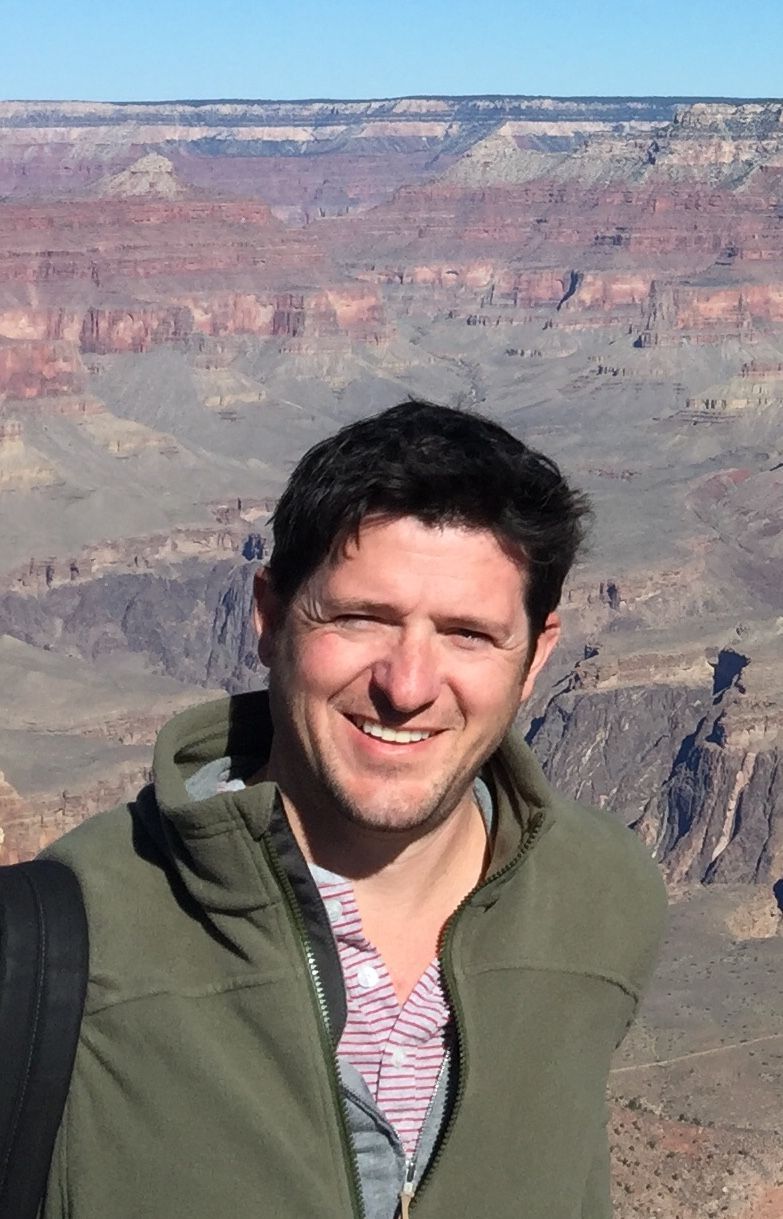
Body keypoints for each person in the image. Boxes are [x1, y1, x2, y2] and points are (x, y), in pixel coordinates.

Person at [41, 401, 666, 1219]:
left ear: (536, 655)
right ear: (268, 617)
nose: (406, 686)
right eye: (360, 618)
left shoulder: (603, 897)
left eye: (467, 634)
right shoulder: (68, 942)